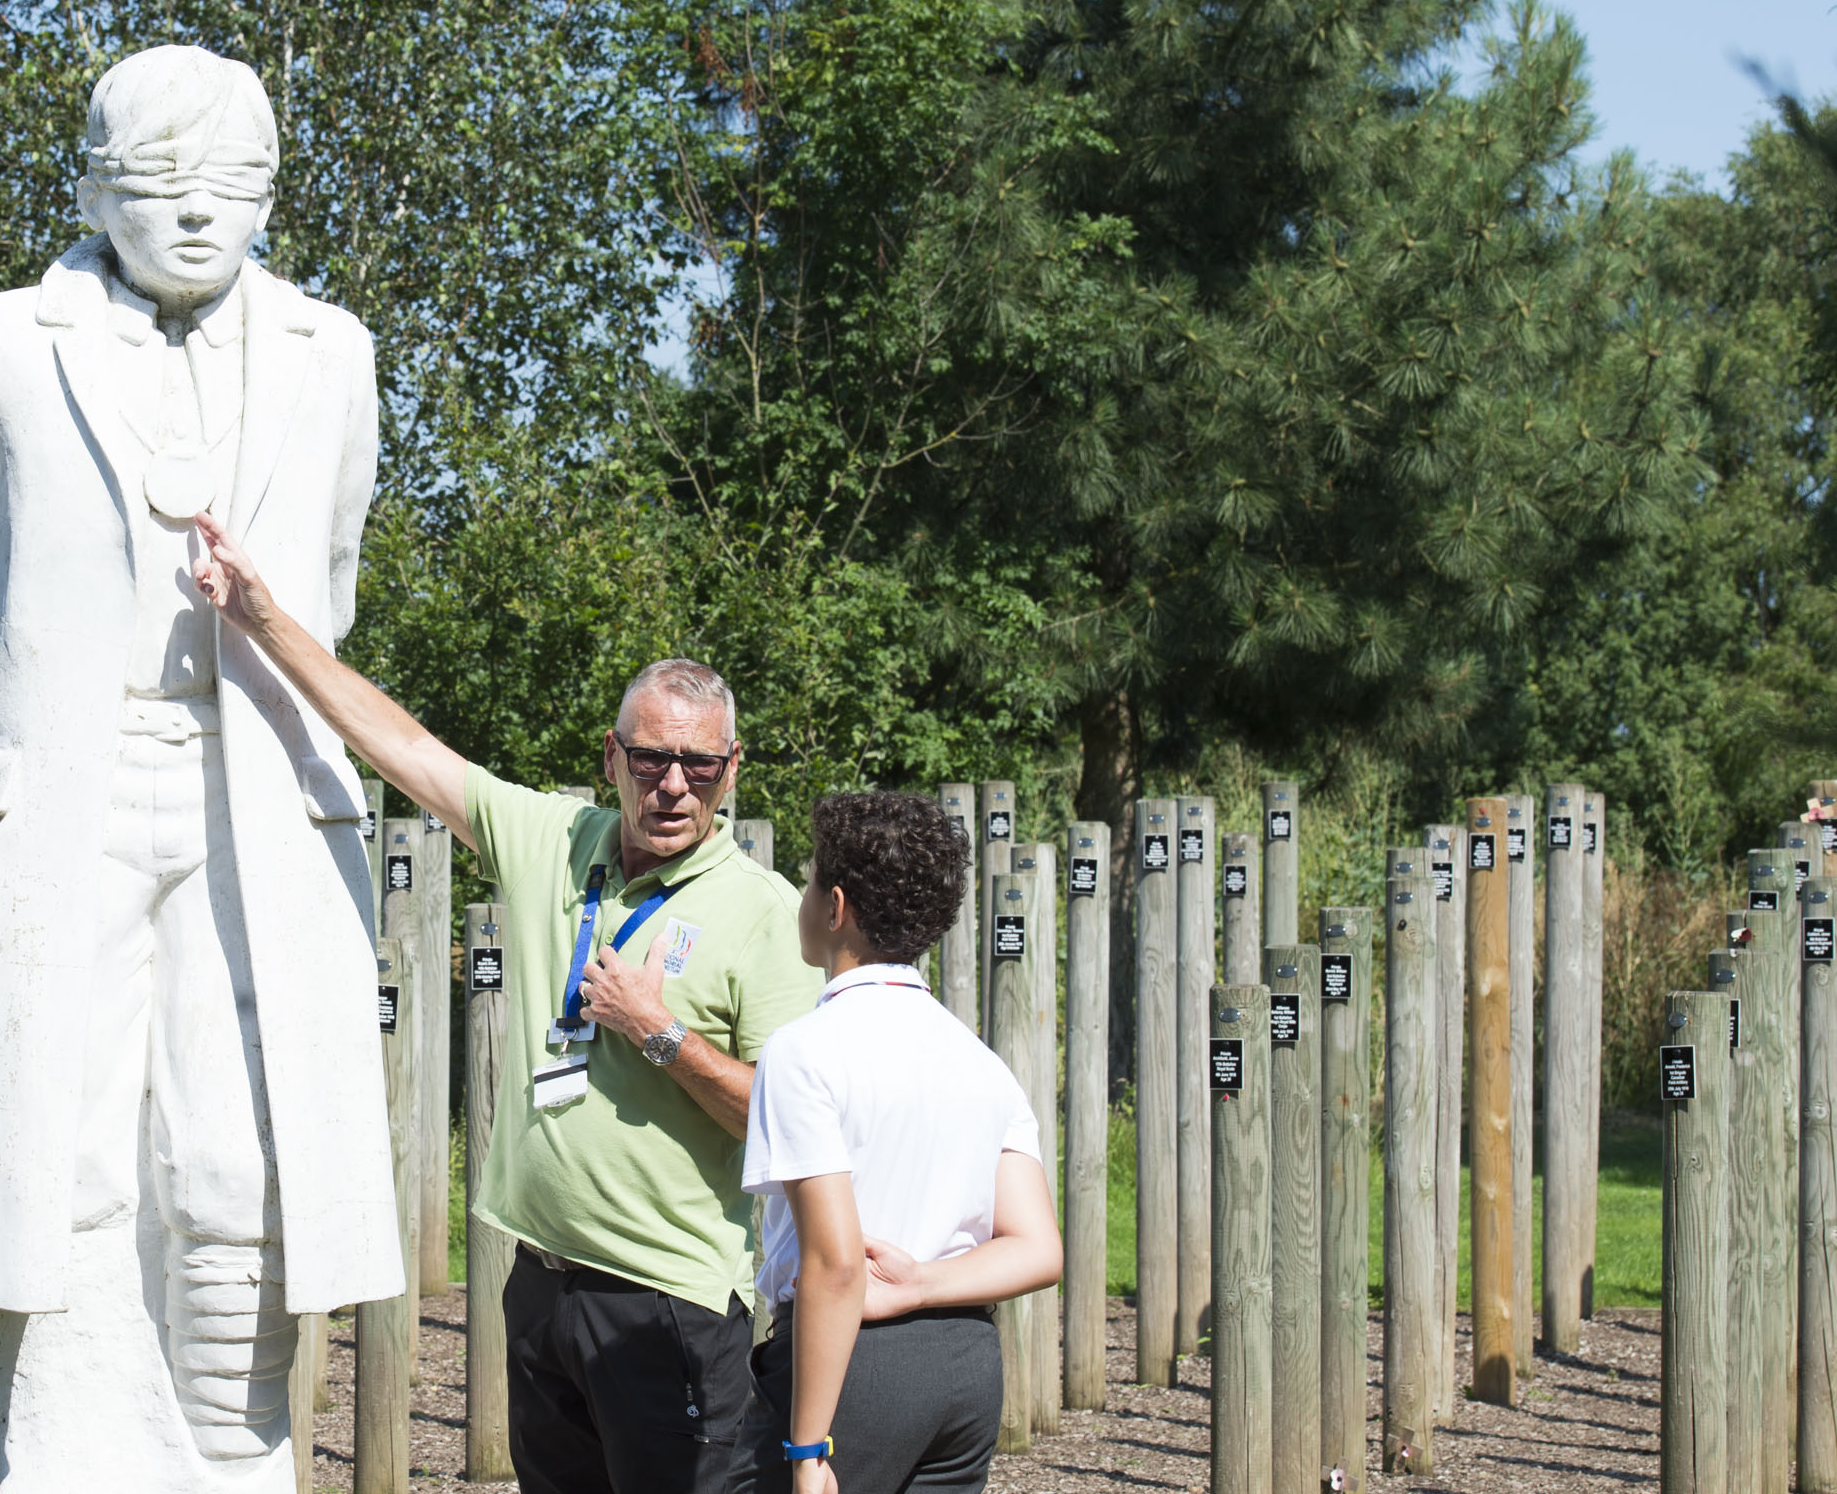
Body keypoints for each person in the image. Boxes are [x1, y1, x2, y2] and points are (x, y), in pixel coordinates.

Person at [187, 511, 818, 1493]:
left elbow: (790, 1123)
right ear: (612, 757)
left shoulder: (764, 914)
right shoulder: (555, 839)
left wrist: (661, 1037)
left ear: (732, 771)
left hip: (671, 1301)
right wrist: (263, 619)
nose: (674, 787)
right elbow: (399, 744)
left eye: (700, 767)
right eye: (651, 760)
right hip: (541, 1283)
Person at [0, 46, 400, 1491]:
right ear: (94, 187)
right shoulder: (9, 345)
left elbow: (334, 577)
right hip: (62, 790)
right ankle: (58, 1435)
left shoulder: (331, 350)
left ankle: (233, 1446)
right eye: (157, 183)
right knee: (64, 1134)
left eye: (230, 185)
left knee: (244, 1139)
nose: (193, 214)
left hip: (259, 790)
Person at [726, 791, 1064, 1494]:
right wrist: (921, 1288)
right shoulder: (979, 1060)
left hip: (847, 1367)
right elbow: (1037, 1248)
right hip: (965, 1369)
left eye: (811, 876)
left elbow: (835, 1263)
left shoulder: (803, 1051)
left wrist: (808, 1448)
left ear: (835, 906)